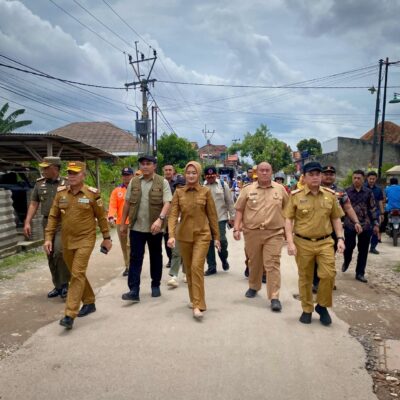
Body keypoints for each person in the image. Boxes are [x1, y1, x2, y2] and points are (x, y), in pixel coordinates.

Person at [44, 161, 112, 330]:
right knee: (77, 273)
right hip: (67, 241)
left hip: (85, 240)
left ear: (83, 175)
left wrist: (106, 237)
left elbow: (102, 217)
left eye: (75, 173)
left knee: (77, 273)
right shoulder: (61, 194)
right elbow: (53, 217)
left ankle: (69, 314)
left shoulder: (92, 194)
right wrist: (48, 238)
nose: (72, 176)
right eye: (70, 173)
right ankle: (89, 301)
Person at [284, 162, 345, 326]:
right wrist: (290, 242)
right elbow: (288, 220)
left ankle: (322, 306)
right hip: (302, 243)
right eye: (311, 174)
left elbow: (336, 218)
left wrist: (340, 238)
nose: (315, 177)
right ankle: (307, 309)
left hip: (325, 242)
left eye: (318, 174)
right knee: (305, 278)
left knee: (328, 275)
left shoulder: (330, 195)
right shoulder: (296, 196)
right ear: (304, 177)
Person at [167, 161, 220, 320]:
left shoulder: (205, 192)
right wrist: (171, 235)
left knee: (197, 267)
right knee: (189, 270)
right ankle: (193, 299)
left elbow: (212, 216)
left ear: (199, 174)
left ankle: (198, 305)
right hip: (184, 236)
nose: (191, 175)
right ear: (185, 174)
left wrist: (216, 237)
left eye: (194, 172)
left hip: (202, 235)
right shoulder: (178, 192)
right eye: (188, 172)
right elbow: (173, 215)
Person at [234, 162, 288, 312]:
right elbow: (239, 209)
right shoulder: (247, 190)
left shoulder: (280, 189)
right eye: (261, 170)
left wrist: (289, 232)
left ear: (272, 172)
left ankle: (274, 297)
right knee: (254, 262)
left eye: (267, 170)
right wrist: (236, 228)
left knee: (272, 264)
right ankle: (253, 286)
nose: (264, 173)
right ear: (257, 172)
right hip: (252, 233)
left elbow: (288, 210)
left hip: (274, 233)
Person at [120, 155, 172, 302]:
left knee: (156, 256)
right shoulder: (134, 182)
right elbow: (127, 203)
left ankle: (155, 285)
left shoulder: (162, 182)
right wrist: (123, 223)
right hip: (136, 227)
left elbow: (167, 202)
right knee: (135, 258)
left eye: (148, 164)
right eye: (142, 164)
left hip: (155, 227)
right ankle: (134, 290)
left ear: (154, 166)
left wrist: (160, 219)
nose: (145, 166)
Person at [24, 156, 70, 299]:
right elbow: (33, 204)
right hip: (46, 223)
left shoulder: (67, 183)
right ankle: (57, 285)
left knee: (59, 252)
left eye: (46, 168)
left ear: (55, 168)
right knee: (50, 254)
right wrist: (27, 222)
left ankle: (65, 284)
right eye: (42, 168)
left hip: (63, 223)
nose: (43, 171)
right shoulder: (39, 184)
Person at [311, 165, 362, 293]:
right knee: (315, 257)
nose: (328, 176)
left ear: (334, 176)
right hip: (315, 229)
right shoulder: (313, 189)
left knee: (329, 256)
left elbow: (348, 207)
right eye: (326, 173)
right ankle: (316, 281)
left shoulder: (340, 192)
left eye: (331, 174)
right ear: (321, 175)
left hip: (334, 230)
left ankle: (328, 280)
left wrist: (356, 221)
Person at [342, 170, 379, 283]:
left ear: (363, 179)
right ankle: (347, 260)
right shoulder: (346, 191)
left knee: (363, 250)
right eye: (355, 178)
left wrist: (376, 223)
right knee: (349, 246)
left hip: (365, 224)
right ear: (352, 179)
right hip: (350, 223)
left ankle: (360, 273)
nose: (356, 180)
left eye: (359, 178)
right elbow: (342, 207)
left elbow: (372, 208)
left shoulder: (368, 192)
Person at [203, 165, 235, 276]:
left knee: (221, 241)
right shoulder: (202, 186)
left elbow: (229, 202)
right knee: (208, 243)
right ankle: (212, 266)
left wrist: (232, 217)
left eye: (212, 175)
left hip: (220, 218)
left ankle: (224, 259)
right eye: (208, 176)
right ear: (205, 176)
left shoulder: (222, 185)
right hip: (206, 220)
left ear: (216, 175)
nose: (210, 177)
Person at [108, 167, 134, 276]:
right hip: (121, 223)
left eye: (128, 175)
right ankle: (127, 266)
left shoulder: (136, 189)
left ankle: (133, 266)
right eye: (124, 175)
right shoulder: (116, 191)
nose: (126, 177)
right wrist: (110, 216)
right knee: (124, 246)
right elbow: (113, 205)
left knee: (130, 245)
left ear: (132, 176)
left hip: (133, 222)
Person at [167, 175, 187, 288]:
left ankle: (186, 273)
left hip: (189, 228)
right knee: (176, 252)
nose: (180, 189)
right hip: (176, 228)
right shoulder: (172, 199)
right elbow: (171, 216)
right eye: (177, 187)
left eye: (182, 186)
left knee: (187, 252)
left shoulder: (191, 197)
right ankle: (173, 276)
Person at [365, 171, 384, 254]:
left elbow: (380, 202)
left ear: (376, 179)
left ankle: (373, 247)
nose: (372, 180)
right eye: (370, 179)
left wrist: (382, 213)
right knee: (365, 231)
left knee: (376, 230)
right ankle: (364, 246)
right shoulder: (363, 188)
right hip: (365, 213)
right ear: (367, 178)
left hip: (376, 213)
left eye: (373, 179)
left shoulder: (378, 190)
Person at [163, 164, 177, 268]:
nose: (168, 172)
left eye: (170, 170)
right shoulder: (160, 183)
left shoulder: (178, 183)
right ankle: (170, 259)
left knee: (176, 237)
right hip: (164, 215)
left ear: (173, 171)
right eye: (166, 170)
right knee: (166, 237)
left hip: (176, 215)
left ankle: (177, 257)